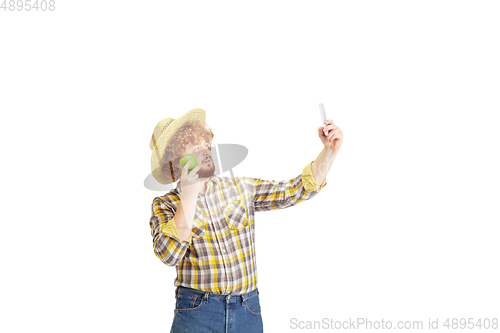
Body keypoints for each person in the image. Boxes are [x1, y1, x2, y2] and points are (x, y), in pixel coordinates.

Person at [148, 108, 343, 332]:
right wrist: (189, 195)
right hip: (197, 313)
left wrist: (329, 152)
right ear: (176, 162)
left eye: (205, 146)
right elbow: (169, 255)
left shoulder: (240, 188)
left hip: (247, 311)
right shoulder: (165, 205)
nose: (206, 152)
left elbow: (294, 191)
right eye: (196, 148)